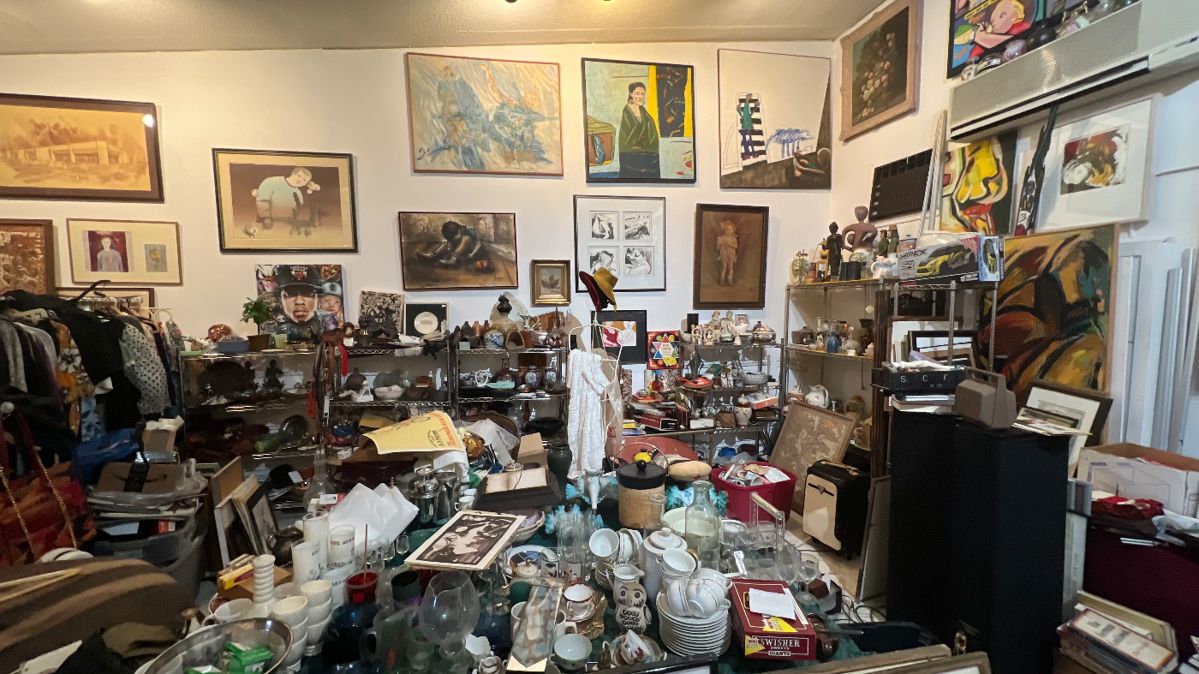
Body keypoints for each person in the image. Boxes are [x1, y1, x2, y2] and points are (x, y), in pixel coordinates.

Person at [250, 167, 321, 237]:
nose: (300, 180)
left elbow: (297, 211)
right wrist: (266, 218)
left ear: (305, 184)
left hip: (285, 224)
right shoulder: (272, 181)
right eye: (299, 176)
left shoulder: (298, 194)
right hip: (268, 222)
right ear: (293, 173)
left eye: (304, 180)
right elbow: (262, 200)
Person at [272, 265, 324, 343]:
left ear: (318, 299)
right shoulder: (273, 330)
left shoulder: (326, 327)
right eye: (290, 293)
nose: (299, 301)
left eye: (308, 293)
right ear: (280, 300)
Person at [618, 82, 660, 179]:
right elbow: (628, 137)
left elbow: (650, 131)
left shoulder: (643, 111)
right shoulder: (627, 111)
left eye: (642, 94)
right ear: (631, 94)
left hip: (647, 153)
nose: (640, 97)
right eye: (637, 93)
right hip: (630, 155)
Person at [417, 220, 491, 269]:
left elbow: (479, 243)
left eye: (453, 238)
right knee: (445, 243)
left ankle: (453, 259)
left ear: (459, 230)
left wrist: (472, 253)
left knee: (466, 238)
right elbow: (451, 242)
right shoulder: (455, 235)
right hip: (460, 252)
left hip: (470, 252)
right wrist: (448, 245)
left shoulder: (469, 231)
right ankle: (432, 255)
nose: (452, 239)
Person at [715, 219, 739, 286]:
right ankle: (722, 280)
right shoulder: (721, 238)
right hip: (724, 254)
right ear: (724, 230)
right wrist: (719, 243)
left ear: (732, 231)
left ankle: (729, 280)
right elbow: (718, 248)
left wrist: (728, 244)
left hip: (731, 254)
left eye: (729, 229)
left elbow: (736, 246)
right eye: (726, 229)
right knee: (723, 266)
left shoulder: (734, 238)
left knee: (730, 267)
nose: (728, 231)